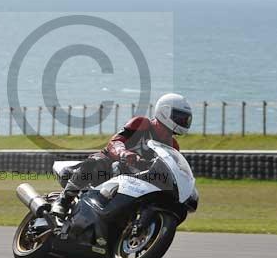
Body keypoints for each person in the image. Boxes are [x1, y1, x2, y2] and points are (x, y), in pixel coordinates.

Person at [50, 92, 193, 217]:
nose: (183, 121)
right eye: (179, 117)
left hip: (136, 178)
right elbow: (115, 141)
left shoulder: (173, 146)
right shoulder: (142, 123)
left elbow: (172, 169)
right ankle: (64, 200)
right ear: (165, 111)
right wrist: (123, 152)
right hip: (110, 163)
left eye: (185, 119)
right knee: (94, 162)